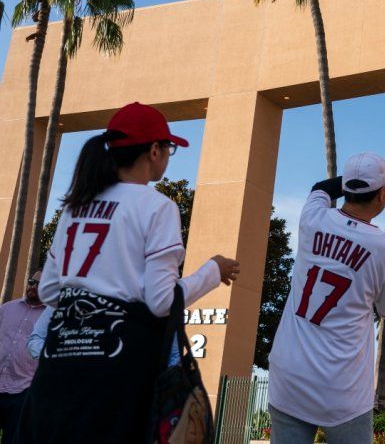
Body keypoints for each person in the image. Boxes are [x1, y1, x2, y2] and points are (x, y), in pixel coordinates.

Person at [14, 102, 240, 444]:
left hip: (59, 360)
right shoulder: (157, 207)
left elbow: (48, 291)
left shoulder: (75, 207)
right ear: (154, 151)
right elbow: (161, 302)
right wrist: (213, 270)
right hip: (119, 368)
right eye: (169, 149)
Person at [267, 152, 385, 444]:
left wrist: (372, 181)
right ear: (382, 195)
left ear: (346, 188)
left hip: (289, 375)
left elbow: (321, 187)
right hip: (341, 387)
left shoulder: (313, 217)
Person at [0, 271, 45, 443]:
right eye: (31, 282)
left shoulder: (49, 317)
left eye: (39, 284)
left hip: (23, 391)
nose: (33, 286)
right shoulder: (7, 308)